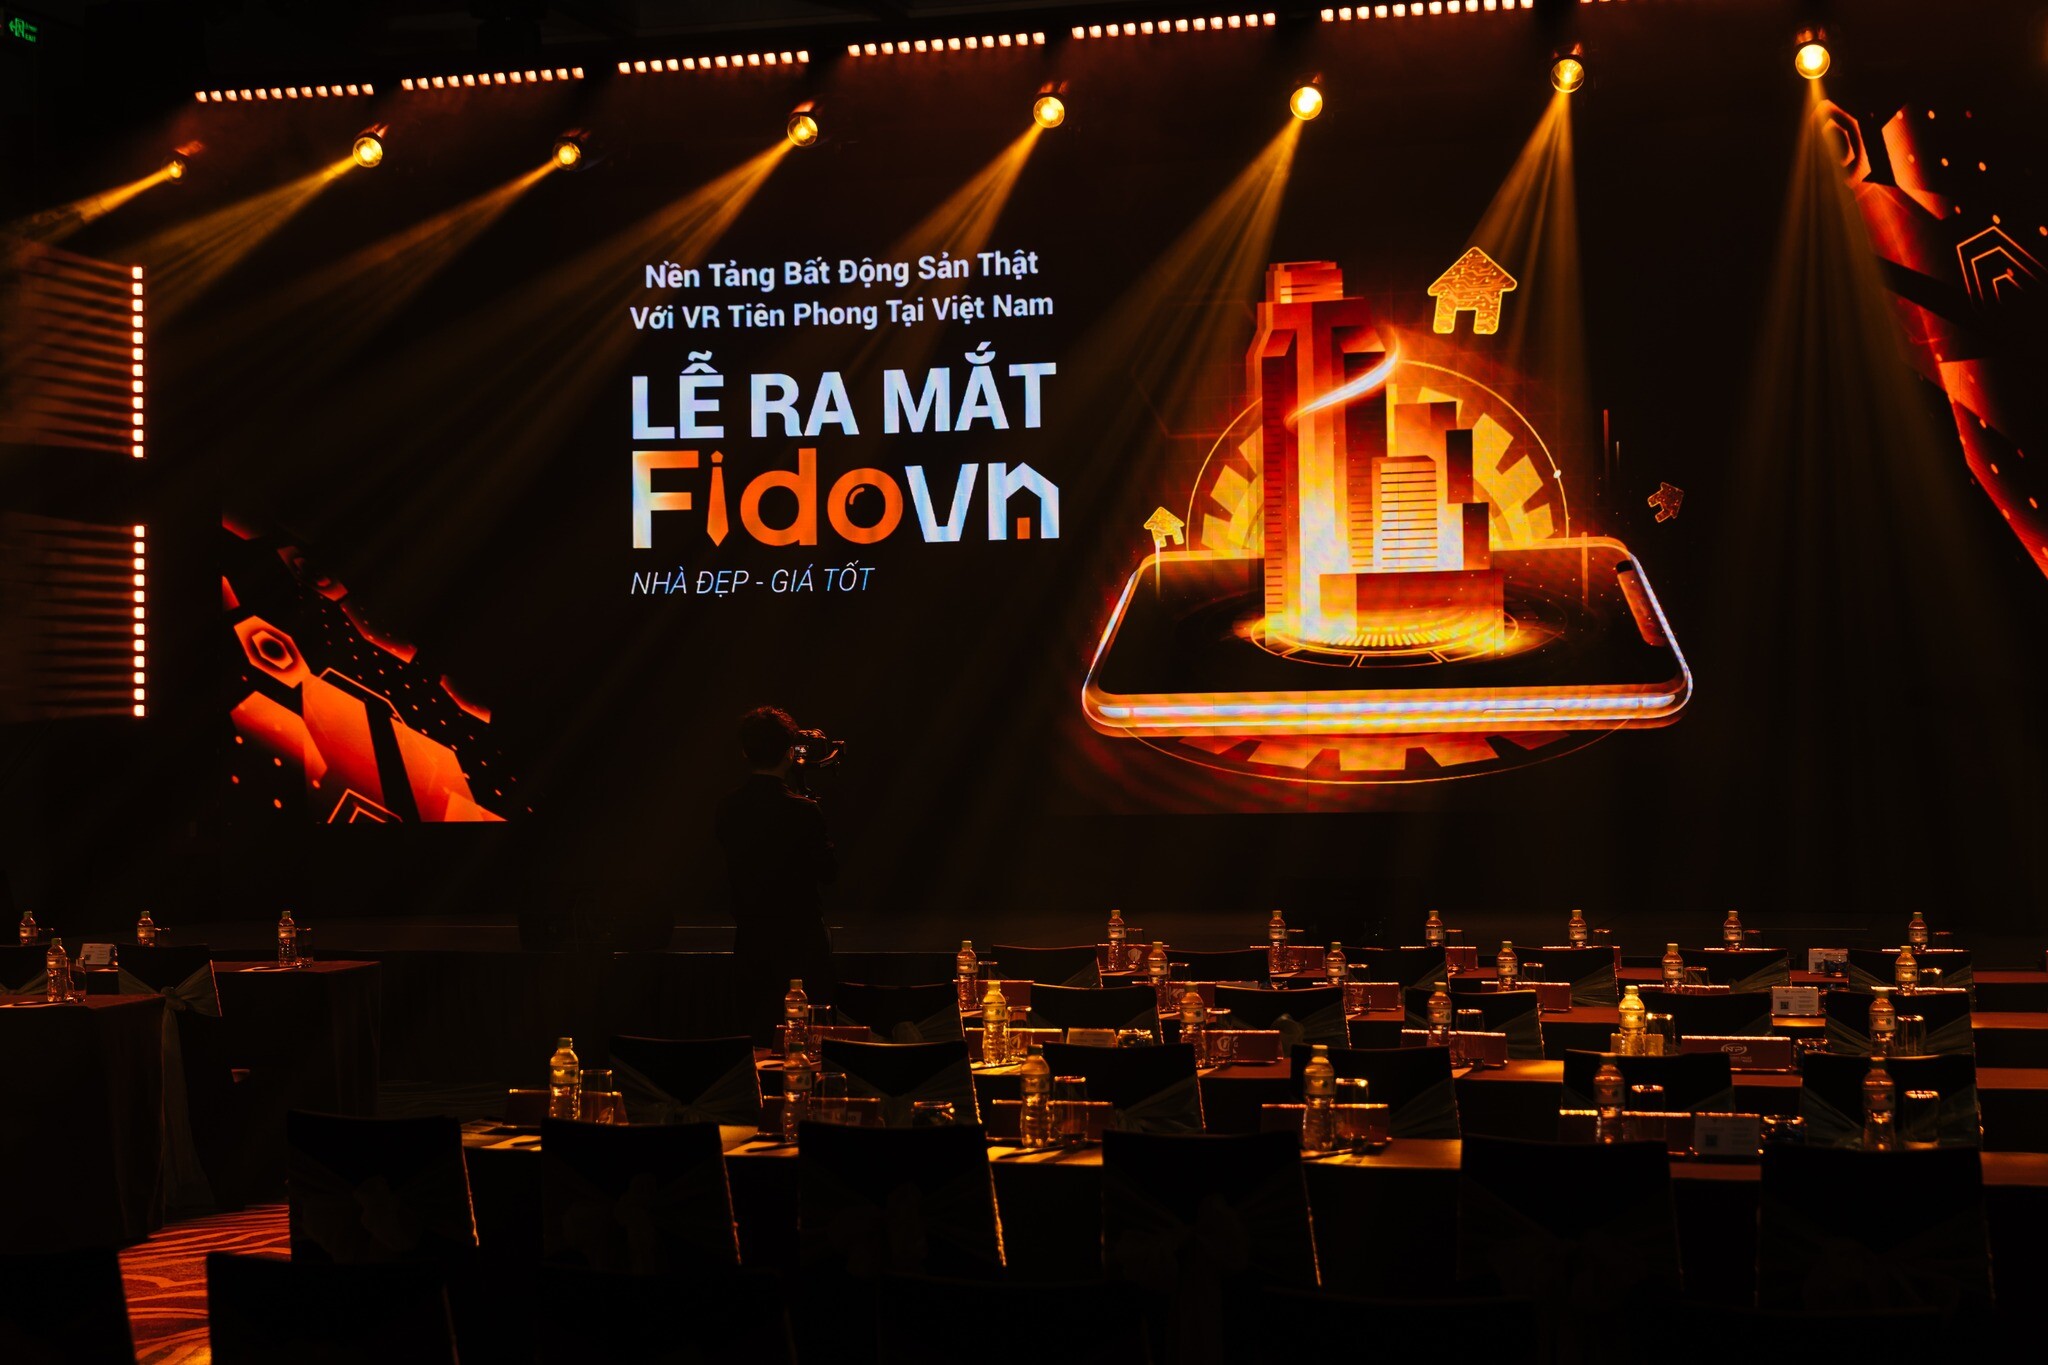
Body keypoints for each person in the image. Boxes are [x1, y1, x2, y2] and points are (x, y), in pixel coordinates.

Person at [714, 705, 837, 1041]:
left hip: (751, 940)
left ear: (745, 752)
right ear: (788, 752)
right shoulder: (803, 811)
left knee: (755, 1036)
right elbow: (828, 872)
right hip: (801, 944)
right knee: (807, 1036)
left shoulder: (727, 807)